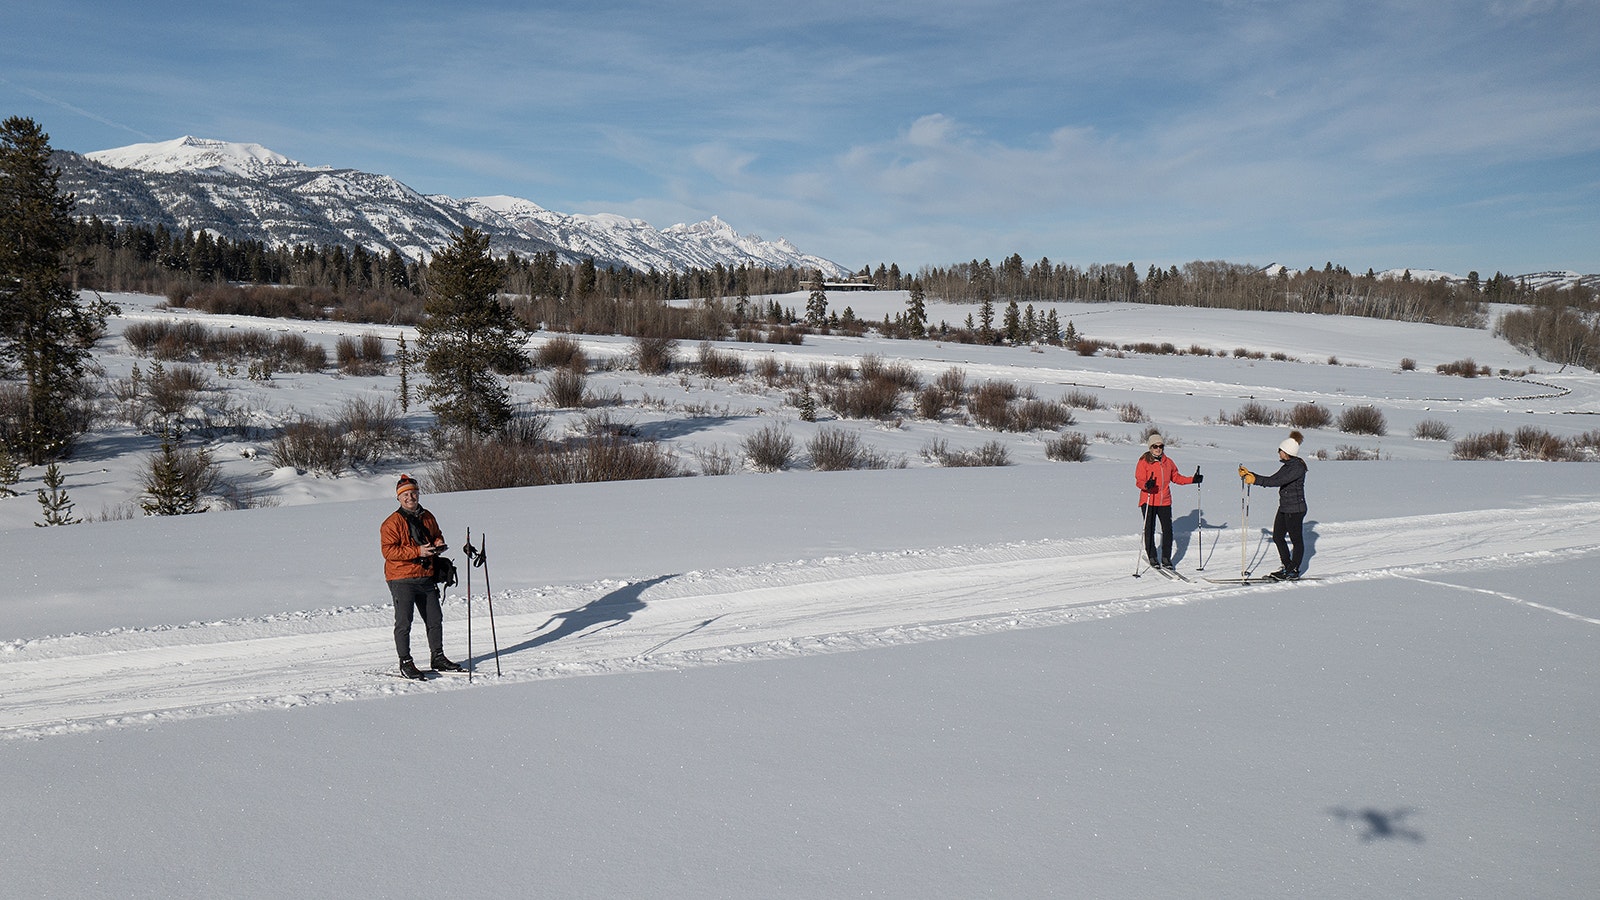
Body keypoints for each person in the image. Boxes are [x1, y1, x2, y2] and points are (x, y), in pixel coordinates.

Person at [380, 474, 464, 678]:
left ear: (418, 494)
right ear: (399, 498)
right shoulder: (391, 523)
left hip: (426, 576)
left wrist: (438, 544)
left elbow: (436, 533)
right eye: (406, 494)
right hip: (401, 578)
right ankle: (406, 661)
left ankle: (438, 657)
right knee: (404, 622)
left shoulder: (428, 516)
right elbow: (388, 552)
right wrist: (417, 552)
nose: (410, 497)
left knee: (435, 618)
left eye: (413, 493)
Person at [1240, 430, 1309, 581]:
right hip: (1285, 507)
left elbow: (1276, 482)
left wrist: (1255, 480)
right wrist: (1250, 474)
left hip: (1295, 509)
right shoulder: (1287, 466)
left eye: (1280, 450)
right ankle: (1287, 566)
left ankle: (1293, 570)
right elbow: (1273, 478)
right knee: (1278, 537)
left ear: (1286, 452)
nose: (1278, 453)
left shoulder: (1297, 468)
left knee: (1296, 541)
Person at [1135, 433, 1201, 569]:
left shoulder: (1168, 462)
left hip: (1164, 501)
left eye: (1161, 446)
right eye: (1155, 446)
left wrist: (1192, 479)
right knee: (1149, 529)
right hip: (1148, 500)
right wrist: (1146, 485)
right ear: (1150, 448)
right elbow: (1139, 481)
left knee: (1168, 530)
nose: (1158, 449)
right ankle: (1152, 556)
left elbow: (1176, 477)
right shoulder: (1144, 461)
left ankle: (1166, 558)